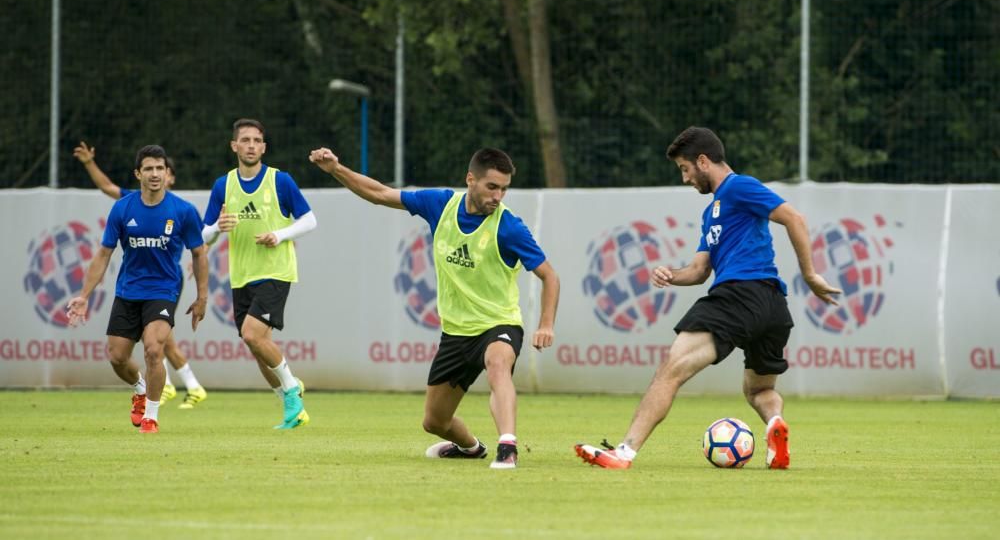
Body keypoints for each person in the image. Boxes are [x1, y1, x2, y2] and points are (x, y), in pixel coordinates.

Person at [575, 127, 841, 470]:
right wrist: (672, 274)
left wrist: (809, 274)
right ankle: (775, 426)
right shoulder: (711, 212)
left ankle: (624, 452)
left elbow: (793, 217)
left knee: (669, 370)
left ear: (703, 161)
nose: (685, 178)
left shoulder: (738, 186)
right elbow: (700, 270)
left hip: (739, 296)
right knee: (758, 391)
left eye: (685, 169)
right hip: (772, 308)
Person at [309, 145, 560, 469]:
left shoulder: (509, 227)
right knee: (434, 422)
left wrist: (546, 324)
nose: (499, 196)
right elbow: (379, 194)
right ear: (471, 179)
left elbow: (549, 276)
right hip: (456, 332)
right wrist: (336, 170)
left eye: (504, 189)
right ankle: (471, 448)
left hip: (499, 323)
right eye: (492, 187)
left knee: (499, 365)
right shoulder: (439, 204)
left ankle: (507, 446)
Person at [66, 145, 209, 434]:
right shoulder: (123, 207)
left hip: (164, 289)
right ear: (138, 174)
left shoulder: (183, 211)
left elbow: (199, 253)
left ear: (167, 173)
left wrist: (202, 297)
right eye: (149, 169)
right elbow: (104, 254)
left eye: (160, 168)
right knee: (117, 357)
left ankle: (151, 417)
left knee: (155, 349)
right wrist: (83, 295)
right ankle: (140, 389)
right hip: (129, 290)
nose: (155, 174)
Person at [201, 119, 316, 429]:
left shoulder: (280, 181)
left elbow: (310, 220)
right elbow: (204, 235)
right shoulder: (223, 185)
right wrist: (216, 229)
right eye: (245, 140)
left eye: (256, 140)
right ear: (234, 146)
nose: (251, 145)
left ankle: (292, 390)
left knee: (252, 334)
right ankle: (292, 407)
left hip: (276, 271)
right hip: (241, 276)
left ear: (264, 147)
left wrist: (279, 235)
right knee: (256, 346)